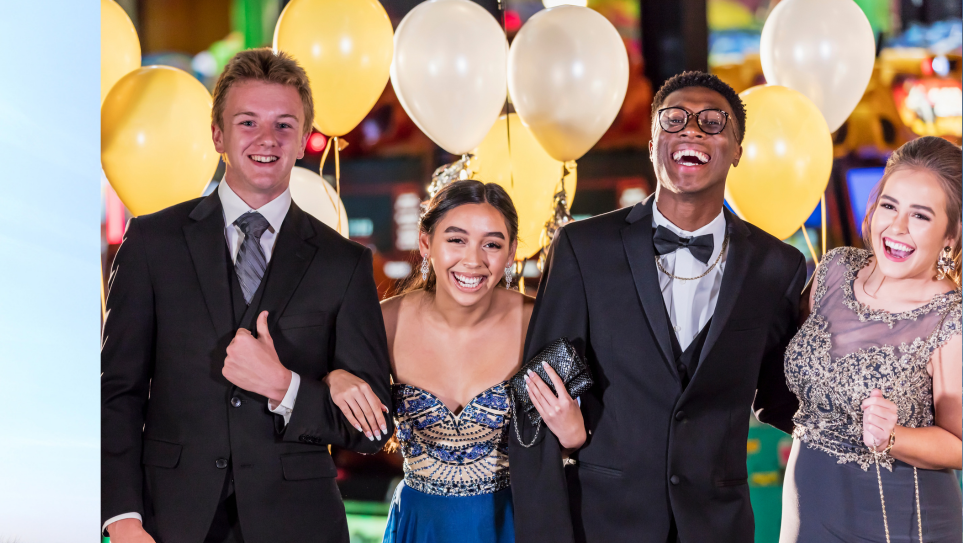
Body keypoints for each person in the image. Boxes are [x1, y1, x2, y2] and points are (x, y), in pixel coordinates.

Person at [101, 48, 393, 543]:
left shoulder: (343, 263)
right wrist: (122, 518)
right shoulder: (152, 243)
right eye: (248, 122)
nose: (267, 139)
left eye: (284, 125)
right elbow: (117, 393)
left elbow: (373, 429)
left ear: (303, 139)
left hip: (299, 526)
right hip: (168, 520)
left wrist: (287, 388)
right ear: (218, 135)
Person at [509, 72, 807, 543]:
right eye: (675, 119)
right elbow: (535, 401)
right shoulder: (585, 248)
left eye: (712, 122)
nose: (693, 130)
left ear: (737, 149)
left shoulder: (777, 266)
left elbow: (781, 398)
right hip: (602, 523)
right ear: (652, 145)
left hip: (717, 528)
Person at [379, 180, 587, 543]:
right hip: (420, 525)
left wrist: (574, 436)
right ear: (426, 242)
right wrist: (336, 378)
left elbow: (582, 437)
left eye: (491, 244)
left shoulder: (539, 324)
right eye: (456, 240)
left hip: (512, 523)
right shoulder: (384, 321)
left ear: (510, 253)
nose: (473, 260)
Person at [780, 136, 962, 543]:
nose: (897, 228)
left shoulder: (952, 316)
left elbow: (959, 444)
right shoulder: (834, 268)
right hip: (808, 509)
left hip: (901, 521)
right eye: (890, 206)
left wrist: (894, 436)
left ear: (950, 235)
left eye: (921, 216)